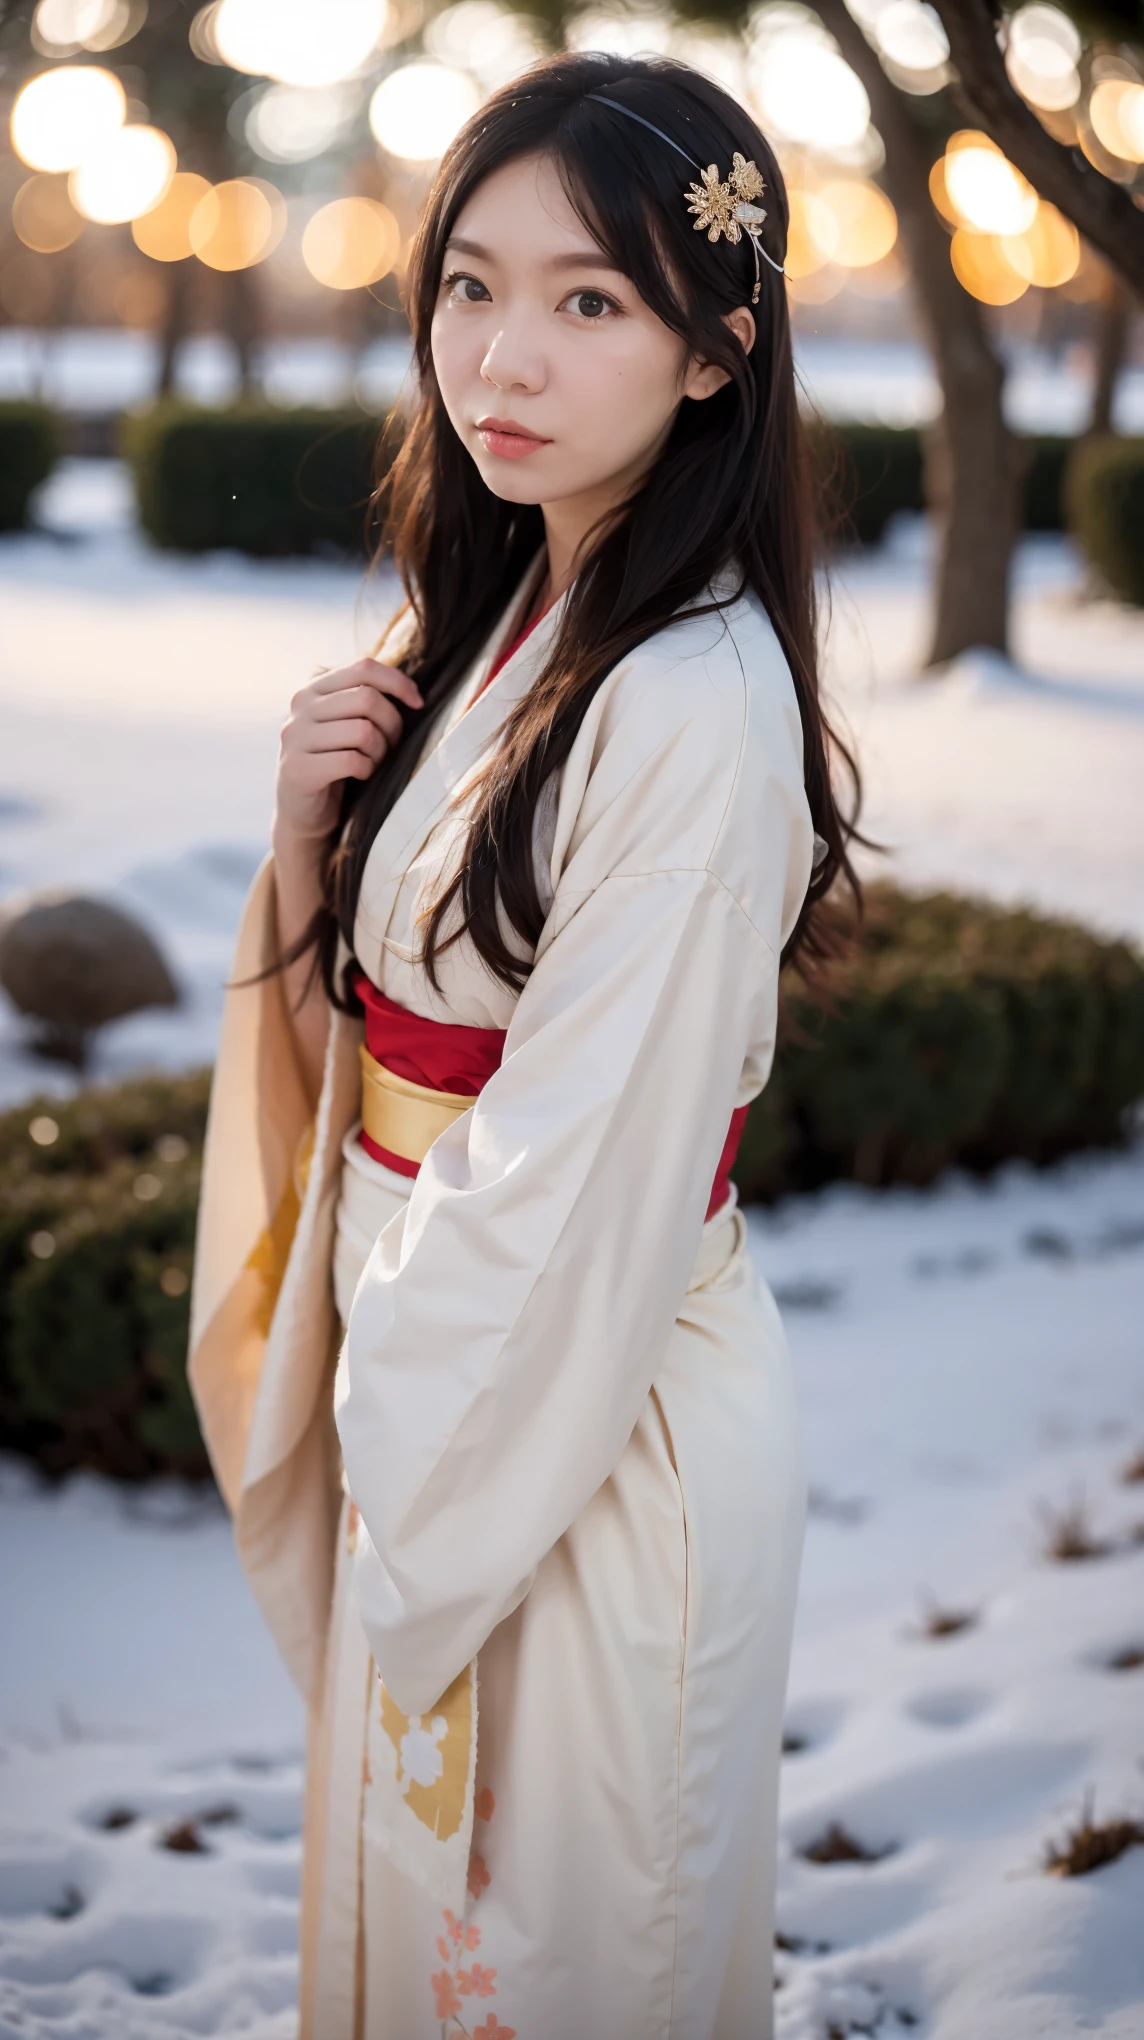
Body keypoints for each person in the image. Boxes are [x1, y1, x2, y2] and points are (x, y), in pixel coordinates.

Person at [189, 49, 859, 2040]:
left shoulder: (684, 698)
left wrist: (400, 1439)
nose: (504, 353)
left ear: (715, 351)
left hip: (582, 1418)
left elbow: (578, 1172)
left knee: (571, 1961)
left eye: (590, 301)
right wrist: (317, 843)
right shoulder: (501, 618)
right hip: (463, 1377)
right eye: (471, 285)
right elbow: (405, 1023)